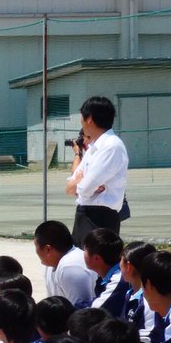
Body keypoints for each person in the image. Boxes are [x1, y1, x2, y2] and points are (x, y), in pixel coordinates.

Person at [66, 96, 129, 244]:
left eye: (82, 116)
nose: (80, 120)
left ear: (89, 119)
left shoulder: (111, 146)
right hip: (84, 214)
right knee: (81, 263)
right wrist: (79, 183)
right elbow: (70, 187)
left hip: (101, 218)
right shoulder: (94, 147)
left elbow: (85, 187)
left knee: (96, 264)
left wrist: (80, 184)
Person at [33, 220, 96, 309]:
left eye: (36, 245)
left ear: (47, 249)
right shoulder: (52, 264)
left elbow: (82, 312)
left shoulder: (71, 267)